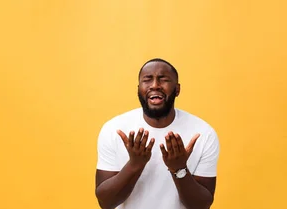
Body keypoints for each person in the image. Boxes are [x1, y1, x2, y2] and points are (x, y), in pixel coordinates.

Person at [94, 58, 220, 209]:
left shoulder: (203, 134)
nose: (155, 85)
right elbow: (106, 203)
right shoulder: (114, 129)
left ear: (177, 89)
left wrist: (179, 169)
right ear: (138, 89)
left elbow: (201, 206)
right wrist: (134, 164)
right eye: (147, 80)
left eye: (164, 79)